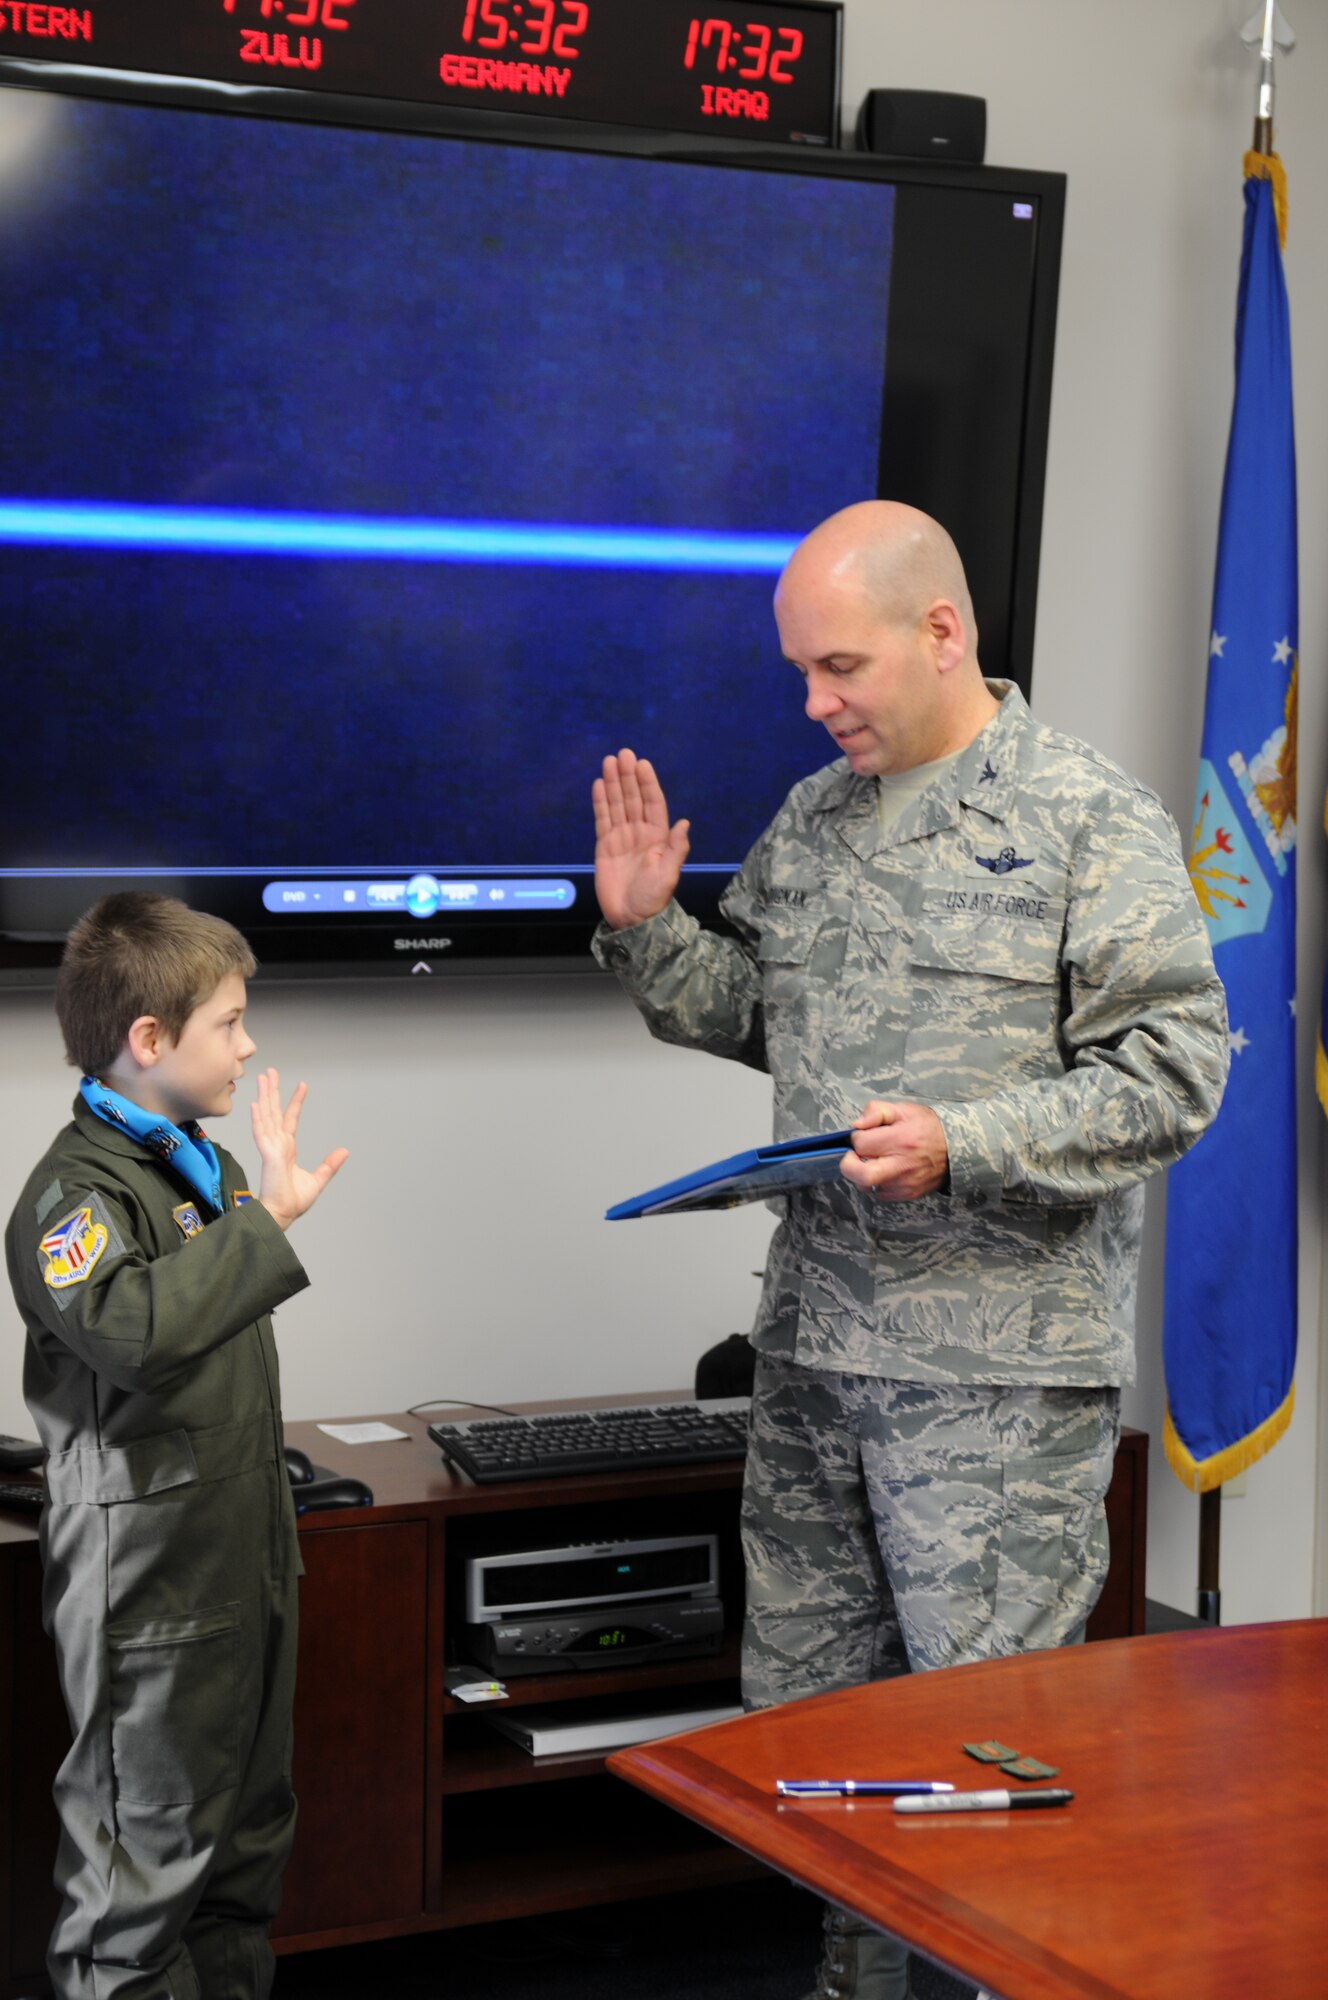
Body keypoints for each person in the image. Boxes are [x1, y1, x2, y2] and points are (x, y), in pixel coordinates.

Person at [591, 501, 1229, 2000]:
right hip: (815, 1355)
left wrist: (967, 1140)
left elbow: (1176, 1073)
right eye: (801, 673)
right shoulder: (814, 817)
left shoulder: (1085, 814)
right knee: (813, 1749)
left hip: (991, 1390)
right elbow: (764, 1018)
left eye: (839, 666)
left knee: (977, 1760)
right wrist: (643, 930)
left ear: (943, 634)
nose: (814, 703)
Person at [5, 892, 348, 2000]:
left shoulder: (199, 1169)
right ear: (148, 1041)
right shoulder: (74, 1194)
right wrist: (269, 1224)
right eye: (230, 1023)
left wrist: (251, 1214)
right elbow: (131, 1329)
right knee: (140, 1885)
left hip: (241, 1563)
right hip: (150, 1595)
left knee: (243, 1856)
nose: (249, 1046)